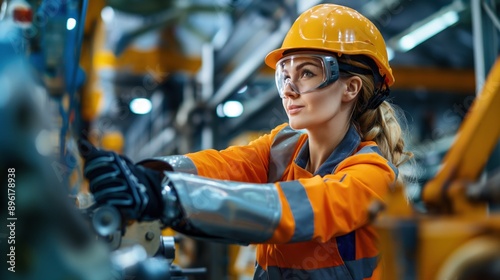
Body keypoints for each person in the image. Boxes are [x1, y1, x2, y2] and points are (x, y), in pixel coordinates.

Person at [79, 4, 412, 280]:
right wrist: (146, 176)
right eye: (285, 75)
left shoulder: (373, 177)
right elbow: (221, 167)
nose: (290, 90)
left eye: (308, 73)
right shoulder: (282, 148)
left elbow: (292, 210)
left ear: (351, 88)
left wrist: (164, 196)